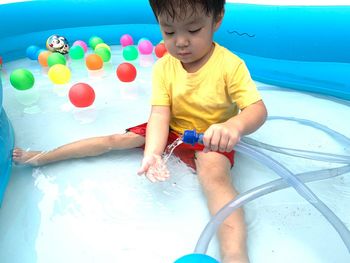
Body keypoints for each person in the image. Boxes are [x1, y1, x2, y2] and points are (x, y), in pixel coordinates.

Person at [13, 0, 267, 262]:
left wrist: (233, 126)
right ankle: (44, 156)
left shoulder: (230, 65)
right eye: (169, 32)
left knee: (215, 178)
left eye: (193, 30)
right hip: (170, 128)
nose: (180, 42)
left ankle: (235, 255)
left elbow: (257, 110)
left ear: (217, 19)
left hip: (209, 137)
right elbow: (159, 114)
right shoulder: (164, 67)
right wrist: (153, 153)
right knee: (114, 139)